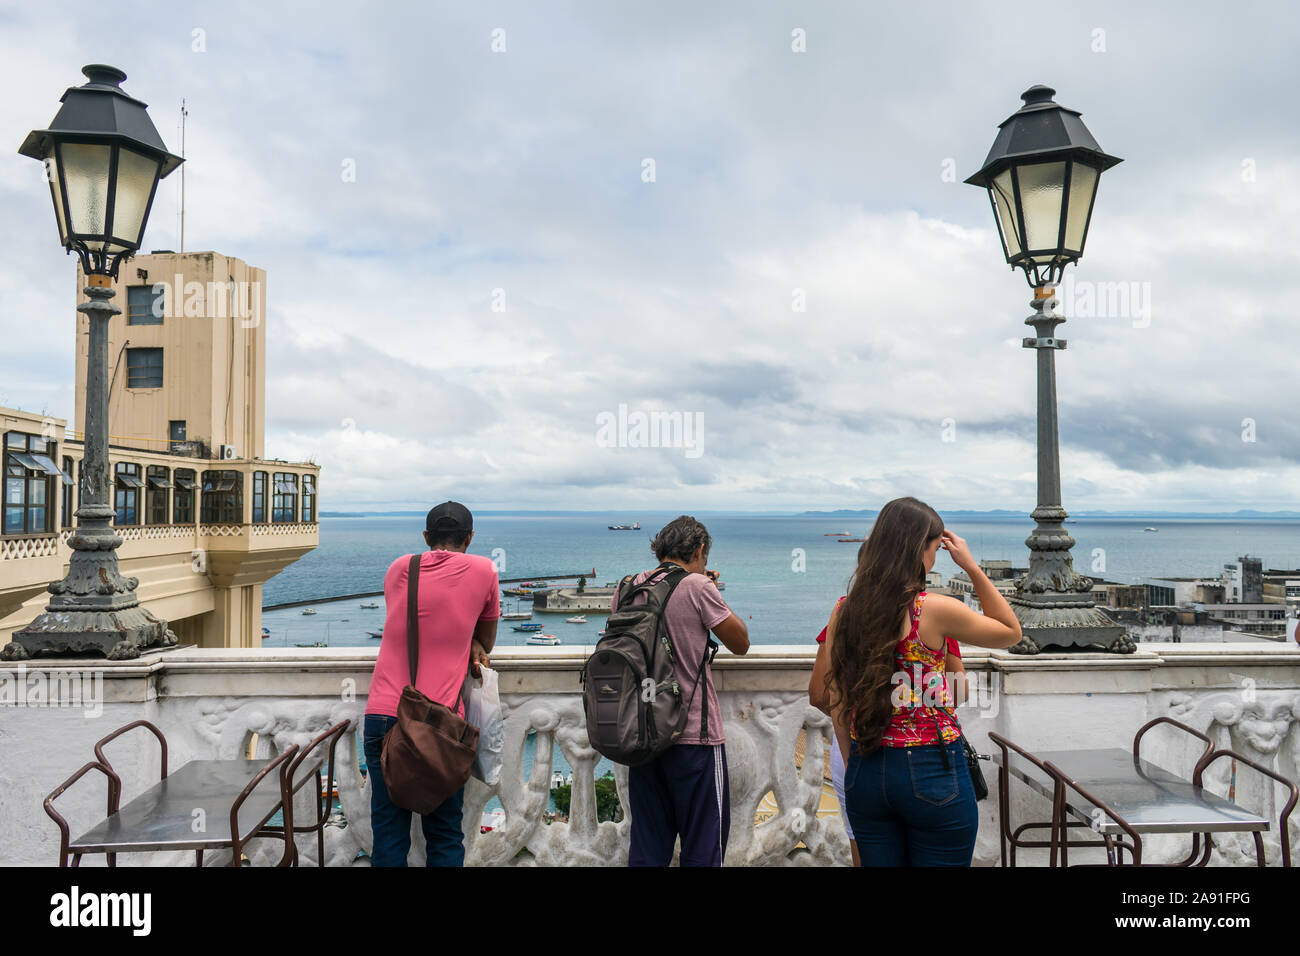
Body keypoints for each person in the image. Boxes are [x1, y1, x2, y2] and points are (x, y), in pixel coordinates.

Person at [821, 497, 1021, 866]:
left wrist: (855, 769)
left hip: (867, 768)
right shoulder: (932, 609)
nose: (934, 558)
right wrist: (972, 568)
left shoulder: (844, 612)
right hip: (931, 768)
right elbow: (1010, 631)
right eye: (934, 549)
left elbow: (835, 699)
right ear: (919, 549)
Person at [363, 501, 498, 867]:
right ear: (470, 538)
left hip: (383, 716)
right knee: (444, 836)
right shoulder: (485, 570)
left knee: (388, 835)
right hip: (439, 725)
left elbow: (413, 621)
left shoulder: (399, 568)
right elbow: (487, 640)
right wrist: (473, 642)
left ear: (426, 537)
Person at [612, 515, 750, 866]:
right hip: (694, 738)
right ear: (700, 549)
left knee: (647, 847)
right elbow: (740, 642)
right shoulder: (698, 587)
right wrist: (710, 591)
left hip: (642, 736)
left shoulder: (627, 587)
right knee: (704, 847)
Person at [810, 593, 969, 867]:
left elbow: (819, 695)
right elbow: (959, 692)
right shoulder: (930, 614)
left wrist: (857, 712)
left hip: (857, 750)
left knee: (865, 851)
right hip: (927, 754)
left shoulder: (847, 613)